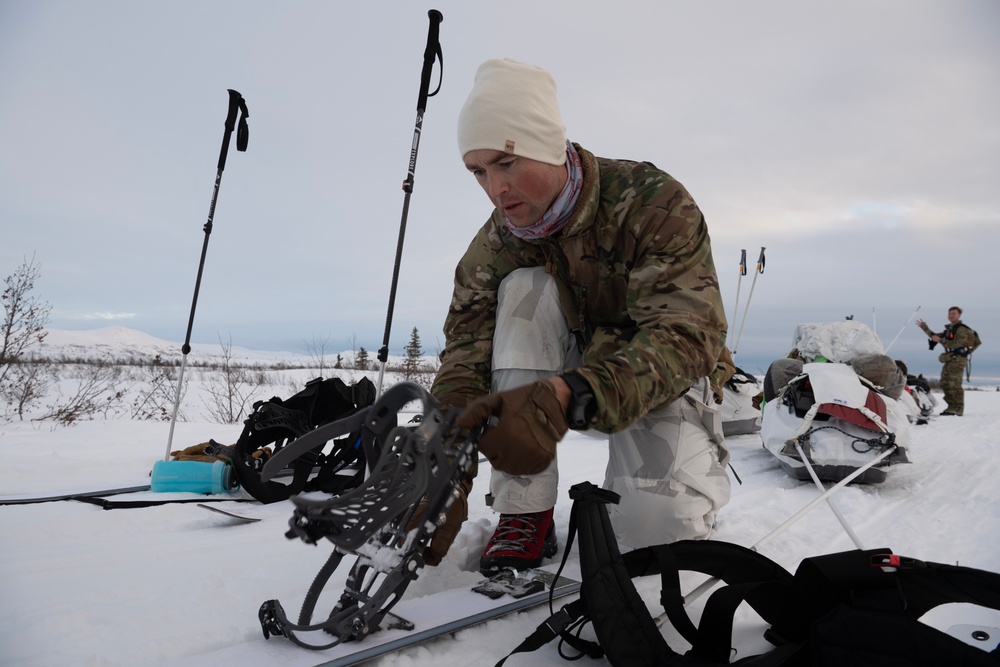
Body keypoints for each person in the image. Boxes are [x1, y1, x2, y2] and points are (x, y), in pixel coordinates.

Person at [426, 58, 732, 574]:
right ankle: (525, 508)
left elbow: (686, 335)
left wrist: (574, 394)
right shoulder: (498, 240)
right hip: (558, 379)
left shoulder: (650, 203)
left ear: (547, 147)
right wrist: (444, 458)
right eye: (477, 171)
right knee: (522, 288)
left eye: (505, 162)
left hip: (655, 379)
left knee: (651, 537)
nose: (494, 189)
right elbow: (466, 349)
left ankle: (676, 491)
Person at [916, 307, 977, 416]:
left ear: (959, 315)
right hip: (950, 358)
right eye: (949, 314)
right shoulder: (949, 330)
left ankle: (958, 408)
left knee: (954, 384)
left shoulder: (962, 329)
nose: (951, 316)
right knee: (945, 383)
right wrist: (924, 327)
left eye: (953, 314)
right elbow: (935, 337)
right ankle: (951, 407)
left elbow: (956, 344)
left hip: (958, 359)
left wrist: (940, 340)